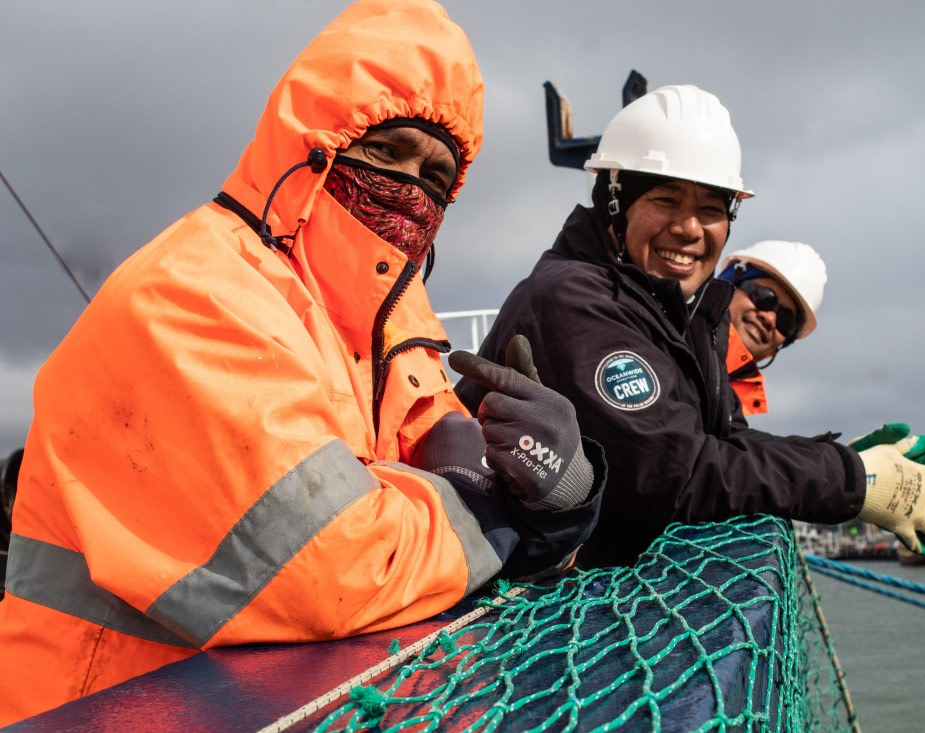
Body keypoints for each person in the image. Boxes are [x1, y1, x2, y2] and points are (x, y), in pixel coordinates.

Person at [0, 1, 604, 724]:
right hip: (102, 708)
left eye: (438, 175)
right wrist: (502, 514)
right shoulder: (192, 294)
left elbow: (460, 512)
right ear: (314, 139)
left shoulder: (399, 330)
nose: (413, 187)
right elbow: (330, 566)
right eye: (388, 150)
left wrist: (563, 495)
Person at [455, 83, 925, 569]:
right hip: (524, 598)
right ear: (614, 201)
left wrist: (841, 461)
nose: (688, 228)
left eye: (710, 209)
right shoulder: (576, 300)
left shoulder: (674, 310)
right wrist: (852, 482)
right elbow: (674, 473)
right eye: (665, 200)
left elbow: (723, 441)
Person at [715, 240, 827, 421]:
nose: (770, 318)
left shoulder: (730, 411)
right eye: (764, 298)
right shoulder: (665, 342)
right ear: (727, 286)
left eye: (785, 321)